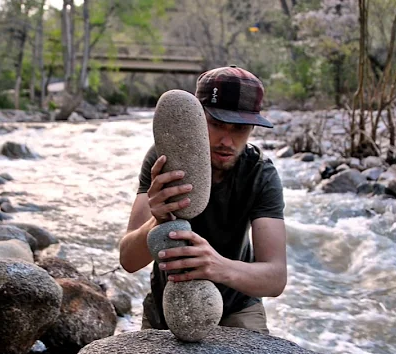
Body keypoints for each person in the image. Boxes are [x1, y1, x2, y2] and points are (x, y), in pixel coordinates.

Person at [119, 65, 287, 334]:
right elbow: (128, 260)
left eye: (241, 128)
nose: (227, 140)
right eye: (217, 124)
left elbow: (276, 278)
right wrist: (156, 220)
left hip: (238, 306)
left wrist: (216, 267)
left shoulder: (260, 173)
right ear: (195, 118)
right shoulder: (164, 159)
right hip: (170, 305)